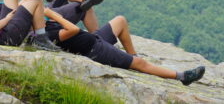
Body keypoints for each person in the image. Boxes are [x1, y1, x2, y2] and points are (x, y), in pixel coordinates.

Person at [46, 13, 206, 85]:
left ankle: (132, 58)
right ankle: (182, 77)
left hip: (95, 39)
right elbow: (72, 30)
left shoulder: (45, 23)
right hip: (95, 50)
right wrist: (52, 14)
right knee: (141, 63)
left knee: (120, 21)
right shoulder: (46, 32)